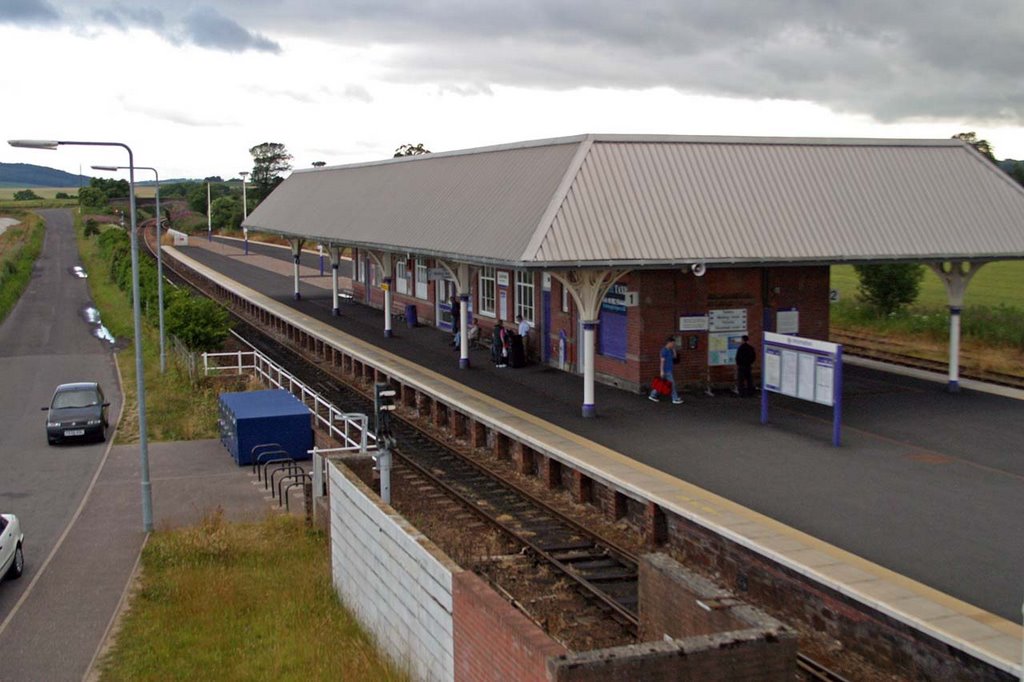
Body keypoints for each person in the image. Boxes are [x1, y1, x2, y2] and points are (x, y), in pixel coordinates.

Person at [649, 336, 683, 404]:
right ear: (669, 343)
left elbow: (675, 357)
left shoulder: (669, 350)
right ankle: (675, 398)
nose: (673, 345)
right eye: (673, 343)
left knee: (662, 384)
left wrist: (673, 350)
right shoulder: (664, 351)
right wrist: (662, 371)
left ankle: (653, 395)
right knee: (672, 384)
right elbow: (662, 361)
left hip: (669, 370)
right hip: (666, 371)